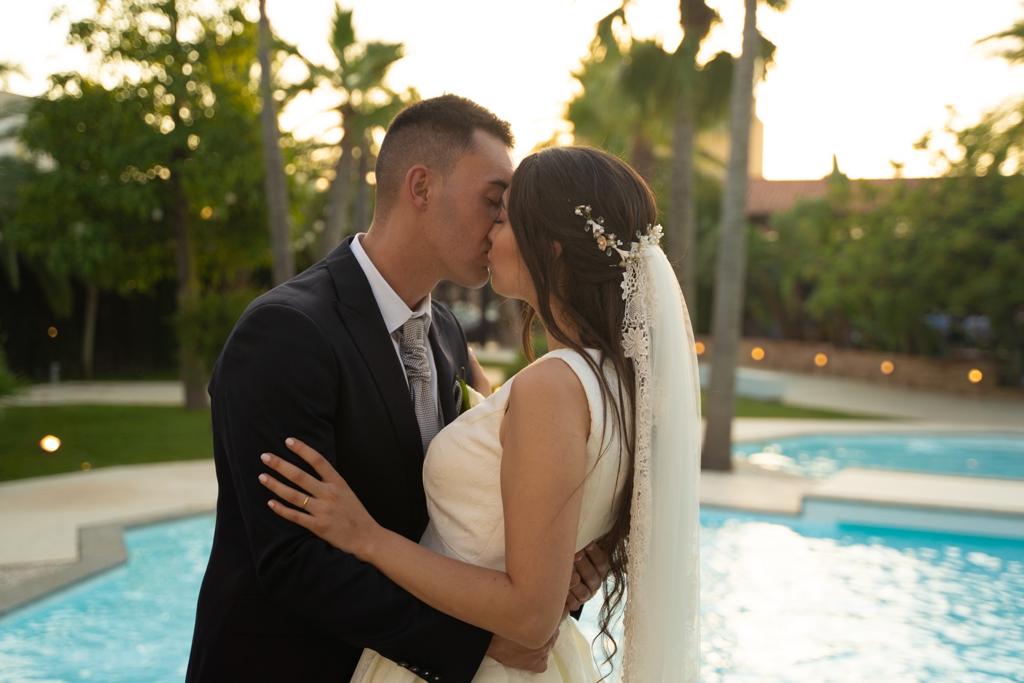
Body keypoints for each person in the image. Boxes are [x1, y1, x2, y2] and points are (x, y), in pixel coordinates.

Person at [185, 96, 611, 683]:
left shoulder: (446, 332)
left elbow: (461, 519)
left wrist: (556, 583)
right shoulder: (285, 332)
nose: (501, 225)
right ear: (421, 187)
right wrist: (479, 645)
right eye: (495, 201)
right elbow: (291, 558)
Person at [259, 146, 703, 681]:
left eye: (506, 215)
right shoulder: (617, 383)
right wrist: (576, 569)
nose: (492, 230)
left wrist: (366, 537)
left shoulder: (554, 387)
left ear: (553, 250)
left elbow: (529, 613)